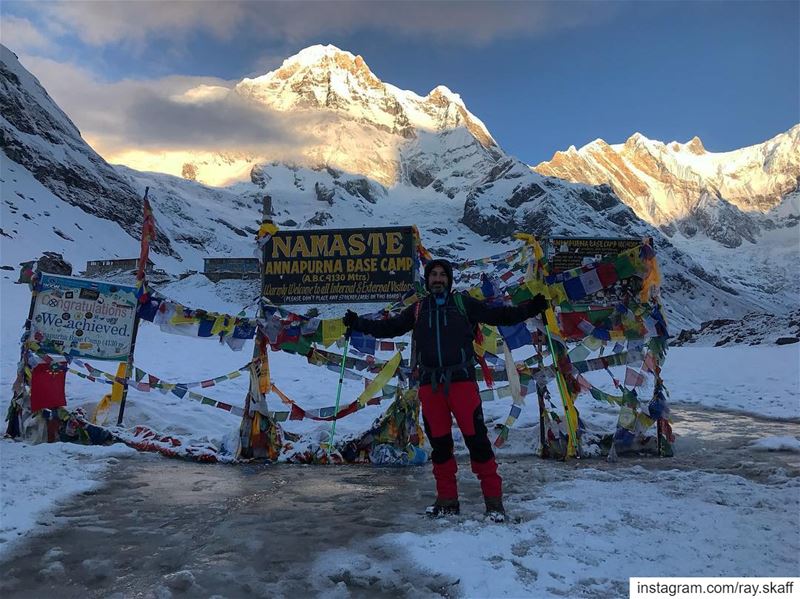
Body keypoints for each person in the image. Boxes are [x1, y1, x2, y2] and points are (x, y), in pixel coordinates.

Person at [343, 258, 548, 522]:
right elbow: (389, 327)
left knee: (478, 444)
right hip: (430, 387)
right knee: (440, 447)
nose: (437, 279)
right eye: (433, 275)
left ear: (449, 280)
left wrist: (531, 308)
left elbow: (500, 315)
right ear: (427, 281)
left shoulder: (463, 304)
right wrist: (358, 323)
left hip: (462, 383)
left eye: (442, 275)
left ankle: (494, 504)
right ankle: (447, 500)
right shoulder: (418, 309)